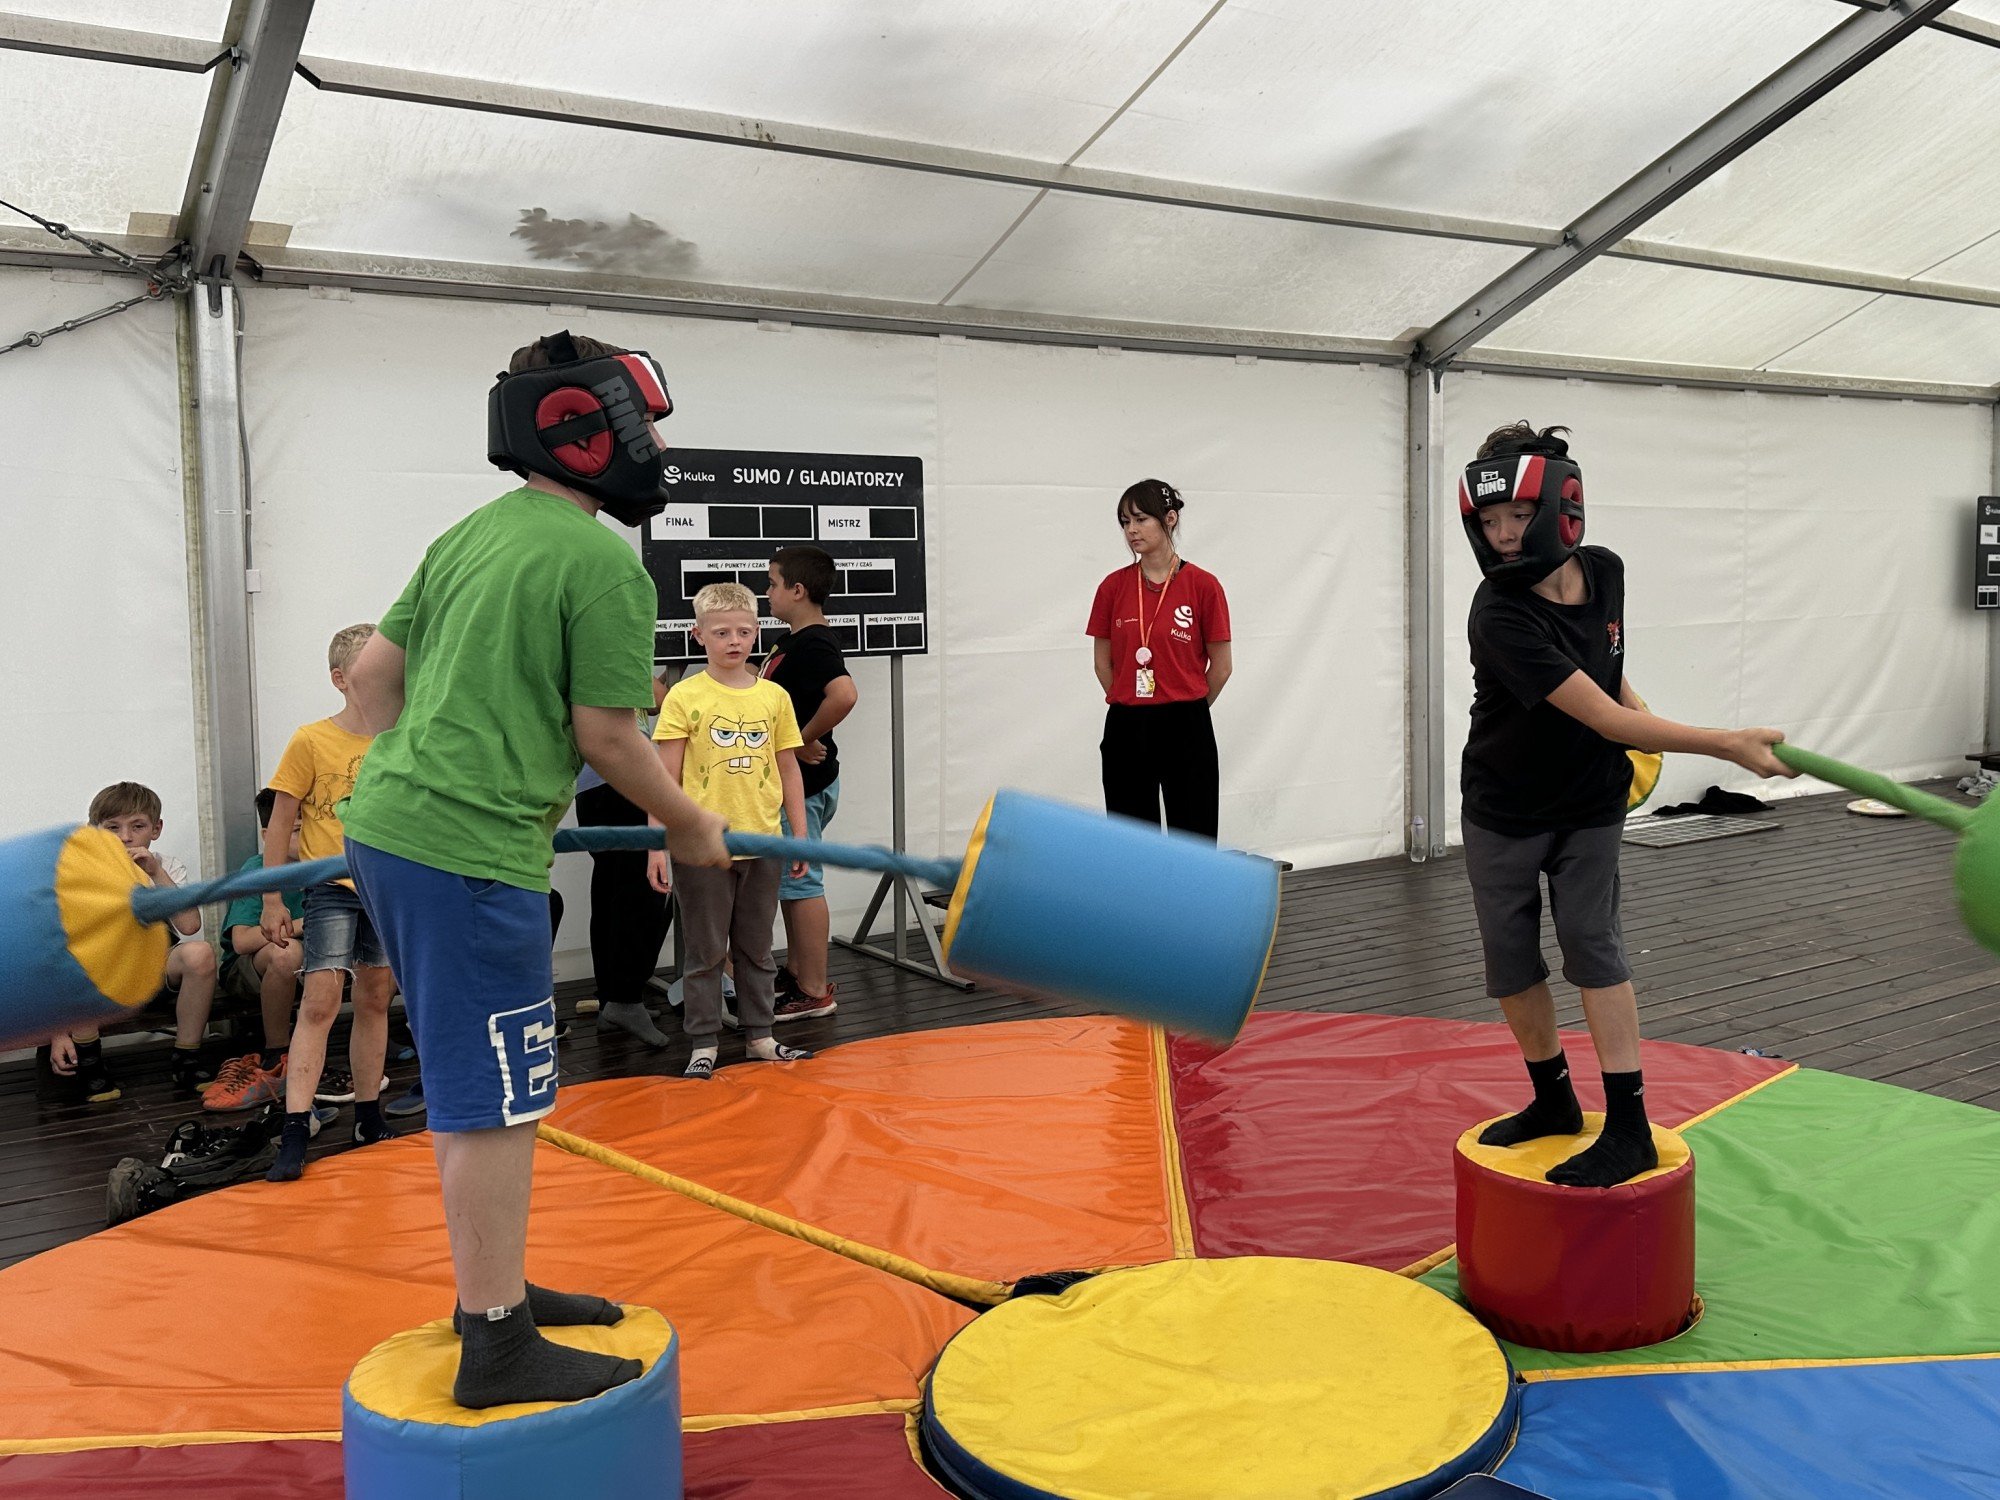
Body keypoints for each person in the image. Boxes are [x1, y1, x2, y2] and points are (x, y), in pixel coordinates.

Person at [341, 330, 731, 1410]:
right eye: (647, 428)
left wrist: (449, 753)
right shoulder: (604, 564)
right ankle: (498, 1340)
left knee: (479, 1082)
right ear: (587, 430)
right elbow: (608, 736)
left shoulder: (471, 533)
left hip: (391, 828)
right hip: (465, 855)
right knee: (495, 1097)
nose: (657, 450)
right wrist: (689, 823)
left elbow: (371, 685)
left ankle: (493, 1295)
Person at [1457, 420, 1794, 1188]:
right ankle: (1553, 1101)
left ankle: (1630, 1127)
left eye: (1518, 516)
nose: (1504, 535)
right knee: (1511, 961)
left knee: (1594, 947)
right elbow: (1604, 717)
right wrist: (1725, 742)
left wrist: (1645, 719)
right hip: (1505, 806)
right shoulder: (1499, 612)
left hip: (1590, 801)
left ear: (1560, 509)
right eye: (1491, 520)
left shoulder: (1605, 571)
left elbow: (1606, 674)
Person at [647, 581, 814, 1078]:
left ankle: (761, 1036)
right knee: (705, 950)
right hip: (701, 847)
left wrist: (799, 833)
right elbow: (664, 778)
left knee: (757, 947)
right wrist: (656, 845)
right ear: (698, 635)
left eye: (743, 631)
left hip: (763, 841)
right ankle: (704, 1042)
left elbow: (788, 768)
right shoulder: (684, 696)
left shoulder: (774, 696)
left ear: (757, 631)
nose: (734, 641)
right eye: (721, 633)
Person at [262, 624, 396, 1181]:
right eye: (369, 667)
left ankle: (368, 1115)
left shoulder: (404, 737)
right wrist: (272, 897)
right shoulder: (311, 740)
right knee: (319, 1001)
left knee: (376, 998)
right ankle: (295, 1126)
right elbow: (280, 824)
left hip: (387, 888)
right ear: (340, 679)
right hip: (332, 889)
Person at [1086, 479, 1233, 839]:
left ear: (1169, 518)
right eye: (1125, 522)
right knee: (1134, 841)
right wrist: (1133, 701)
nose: (1131, 530)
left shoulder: (1203, 585)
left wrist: (1187, 706)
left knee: (1193, 837)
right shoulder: (1112, 587)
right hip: (1127, 725)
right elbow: (1102, 663)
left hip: (1186, 724)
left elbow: (1222, 666)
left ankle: (1190, 886)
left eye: (1141, 519)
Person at [761, 544, 857, 1020]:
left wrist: (800, 739)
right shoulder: (792, 640)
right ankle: (799, 973)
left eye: (772, 583)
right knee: (790, 880)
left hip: (804, 786)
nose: (767, 593)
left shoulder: (814, 642)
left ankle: (815, 990)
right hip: (798, 783)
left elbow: (844, 695)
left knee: (801, 880)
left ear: (797, 590)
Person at [86, 782, 218, 1098]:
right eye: (113, 827)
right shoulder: (82, 872)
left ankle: (186, 1059)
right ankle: (88, 1065)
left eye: (137, 826)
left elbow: (190, 926)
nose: (125, 837)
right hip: (106, 978)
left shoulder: (166, 867)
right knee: (75, 964)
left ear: (156, 829)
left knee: (200, 953)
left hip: (154, 971)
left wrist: (156, 874)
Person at [573, 670, 678, 1047]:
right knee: (643, 890)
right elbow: (659, 697)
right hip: (625, 778)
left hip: (592, 785)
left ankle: (613, 999)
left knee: (611, 890)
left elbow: (652, 701)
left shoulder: (585, 659)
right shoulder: (612, 655)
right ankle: (625, 998)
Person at [203, 788, 304, 1112]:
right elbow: (242, 941)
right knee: (286, 951)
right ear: (267, 835)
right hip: (247, 970)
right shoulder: (257, 869)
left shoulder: (325, 865)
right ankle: (277, 1052)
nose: (307, 838)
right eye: (297, 830)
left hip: (310, 966)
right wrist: (304, 923)